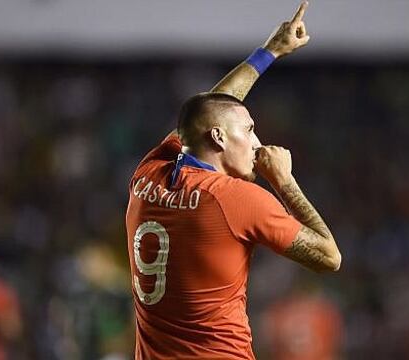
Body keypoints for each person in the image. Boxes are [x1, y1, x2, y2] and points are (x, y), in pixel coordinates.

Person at [125, 2, 341, 359]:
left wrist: (269, 52)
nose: (257, 142)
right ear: (221, 139)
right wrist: (284, 181)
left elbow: (206, 114)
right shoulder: (236, 199)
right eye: (250, 130)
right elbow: (330, 257)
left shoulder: (149, 174)